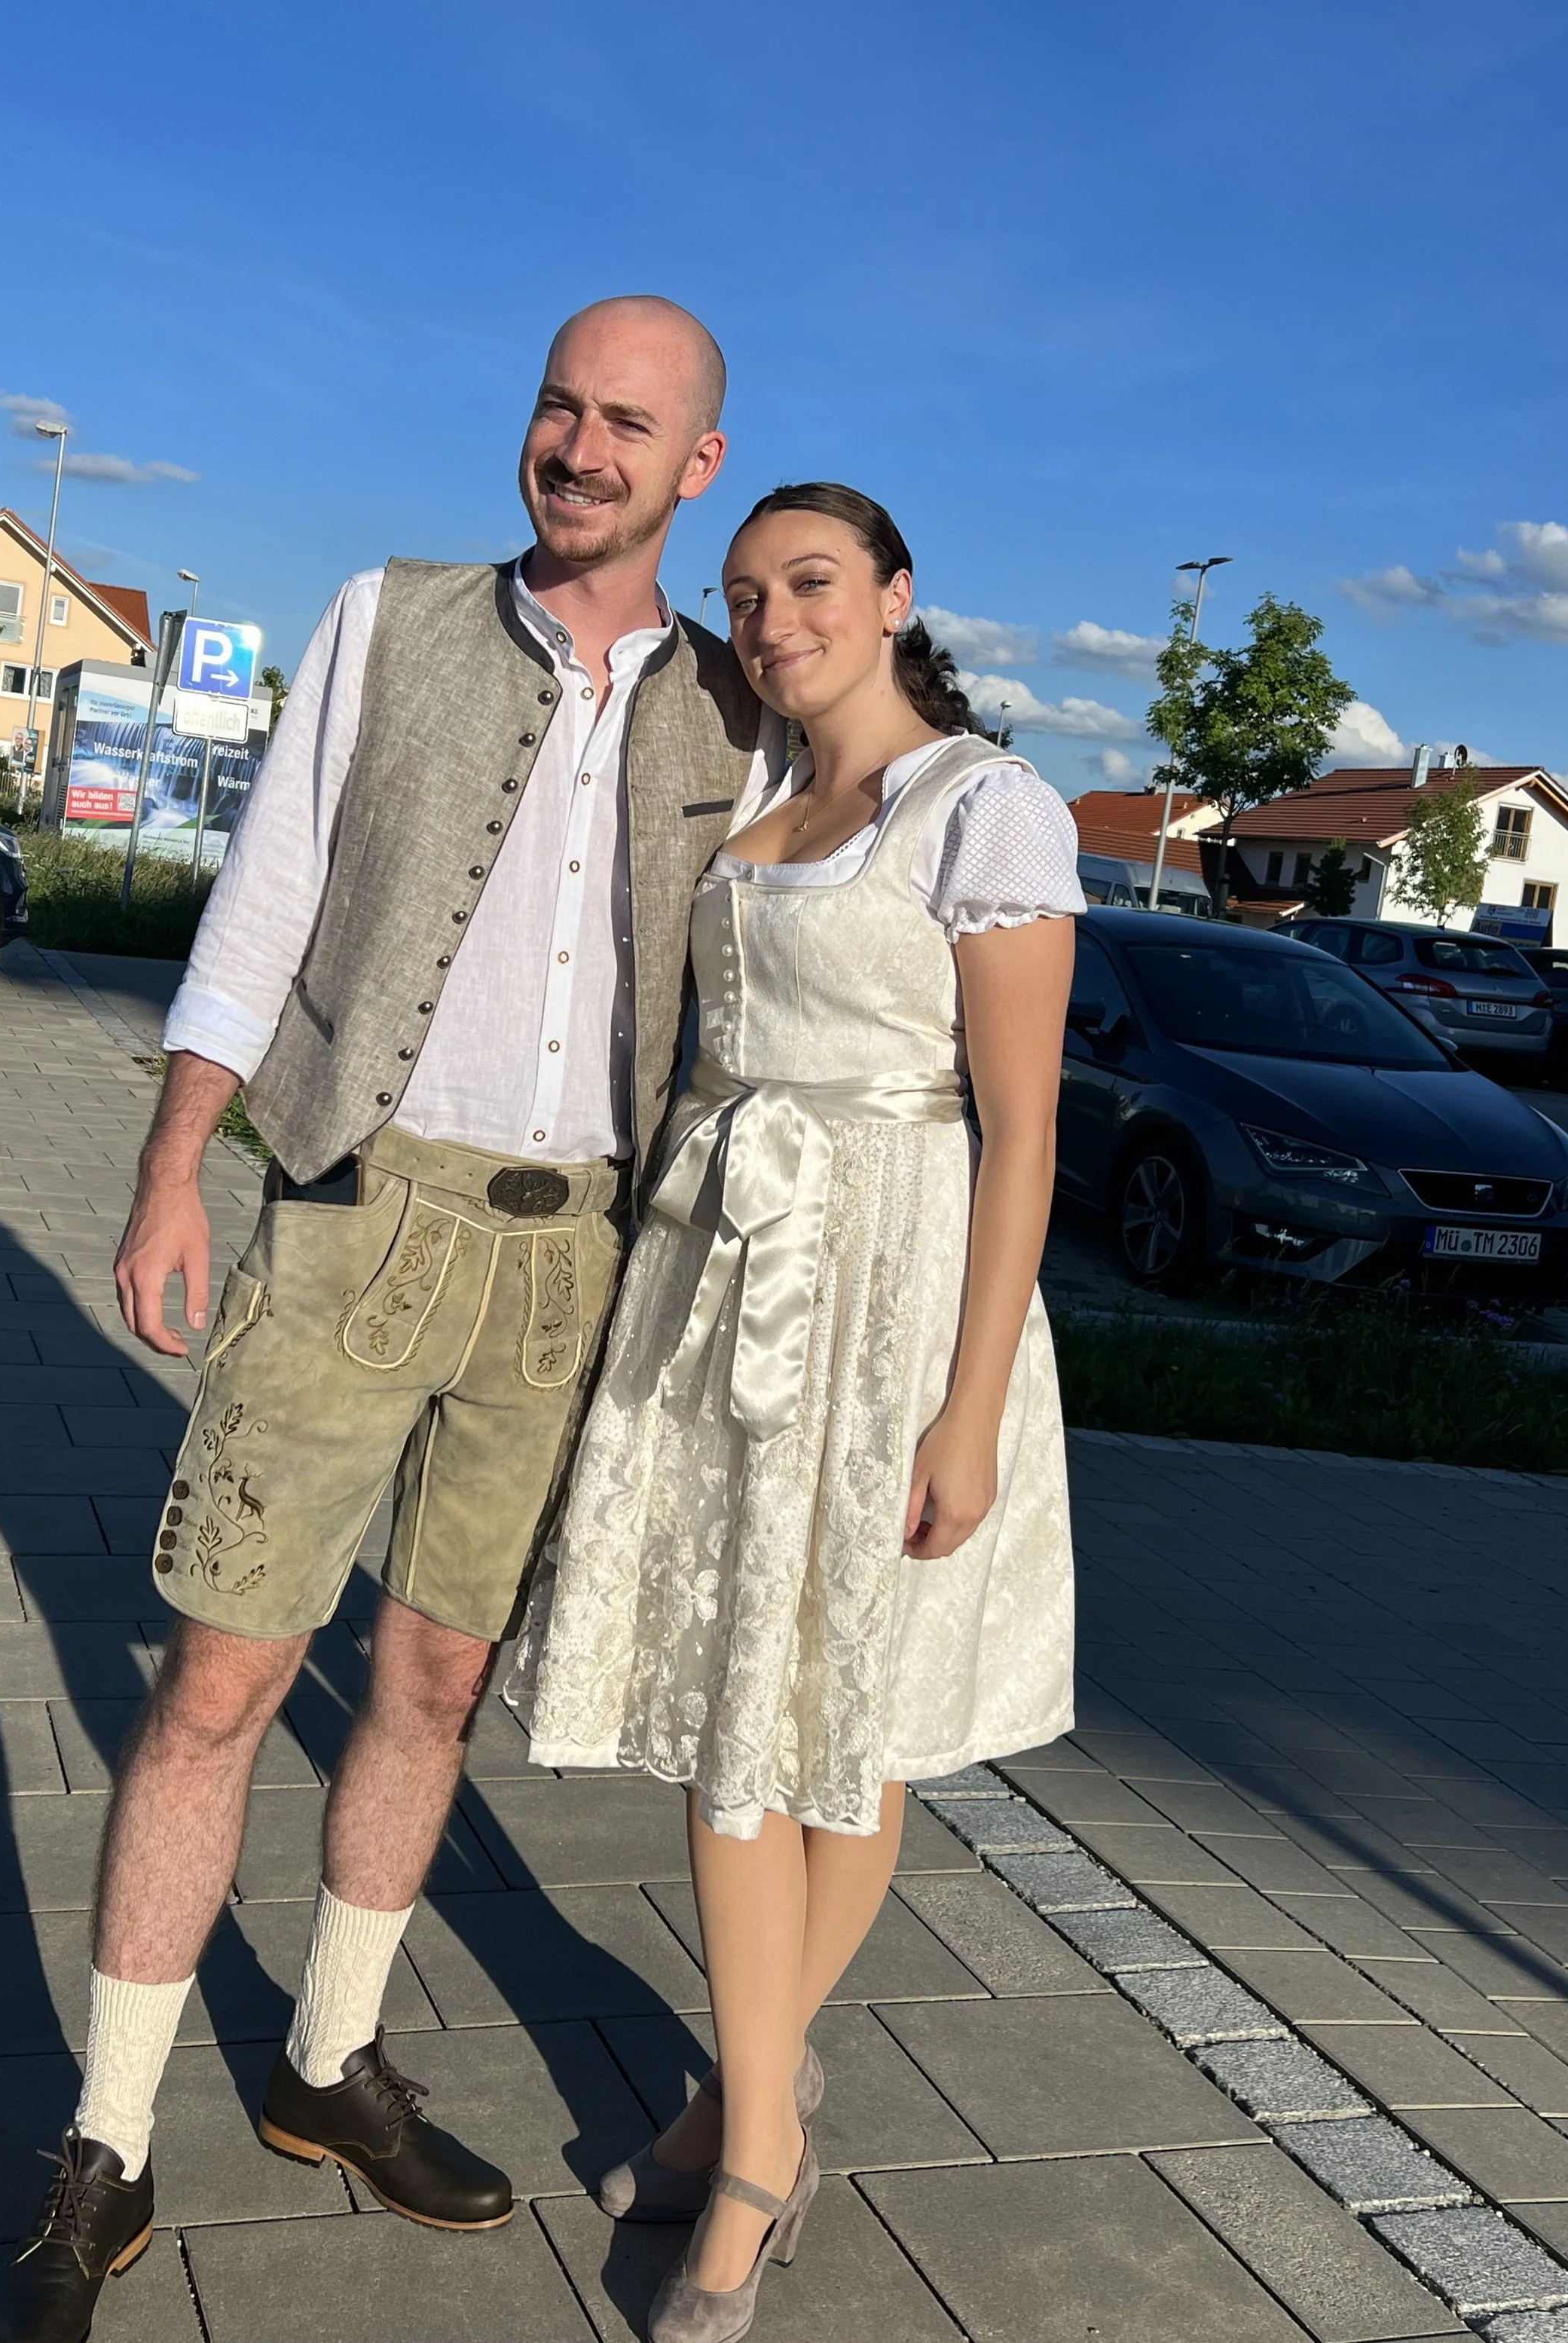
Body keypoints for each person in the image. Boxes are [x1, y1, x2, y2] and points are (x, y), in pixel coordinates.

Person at [0, 297, 781, 2343]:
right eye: (555, 407)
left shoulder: (740, 711)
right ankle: (107, 2139)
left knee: (427, 1688)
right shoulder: (391, 616)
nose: (574, 448)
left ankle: (327, 2060)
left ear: (696, 466)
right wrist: (176, 1161)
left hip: (566, 1258)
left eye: (625, 425)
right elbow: (262, 899)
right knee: (222, 1681)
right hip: (352, 1215)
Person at [514, 483, 1082, 2342]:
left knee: (848, 1715)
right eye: (747, 594)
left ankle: (741, 2138)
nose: (770, 620)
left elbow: (1020, 1137)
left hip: (893, 1301)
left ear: (896, 594)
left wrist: (971, 1406)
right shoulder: (750, 801)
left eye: (810, 584)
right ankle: (757, 2113)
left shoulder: (983, 809)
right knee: (728, 1706)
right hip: (721, 1275)